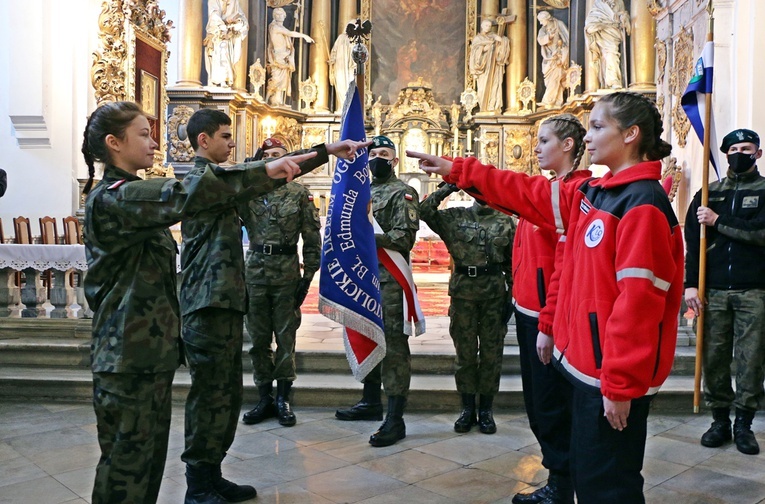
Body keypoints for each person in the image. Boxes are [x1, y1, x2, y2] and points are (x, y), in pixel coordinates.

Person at [410, 91, 684, 504]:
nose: (587, 137)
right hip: (584, 365)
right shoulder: (597, 192)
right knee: (591, 477)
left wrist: (620, 385)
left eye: (597, 127)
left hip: (606, 375)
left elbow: (639, 304)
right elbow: (531, 202)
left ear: (630, 134)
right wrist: (459, 170)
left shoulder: (641, 203)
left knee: (607, 486)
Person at [80, 101, 305, 504]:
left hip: (148, 353)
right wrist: (272, 168)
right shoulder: (114, 197)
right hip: (126, 355)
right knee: (126, 469)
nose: (155, 143)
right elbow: (187, 192)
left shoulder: (131, 196)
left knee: (144, 465)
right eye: (143, 135)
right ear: (114, 143)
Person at [180, 108, 368, 503]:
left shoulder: (222, 180)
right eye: (226, 136)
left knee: (225, 395)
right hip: (206, 304)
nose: (232, 143)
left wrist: (328, 149)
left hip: (226, 300)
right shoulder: (203, 179)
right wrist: (326, 149)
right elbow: (262, 172)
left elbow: (269, 172)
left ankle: (211, 475)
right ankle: (198, 485)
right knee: (209, 396)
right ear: (203, 140)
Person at [510, 114, 590, 504]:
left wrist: (548, 322)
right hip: (528, 309)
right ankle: (559, 476)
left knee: (551, 405)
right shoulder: (551, 188)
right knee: (538, 404)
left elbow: (563, 263)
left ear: (568, 145)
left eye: (544, 141)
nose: (537, 147)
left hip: (549, 314)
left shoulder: (573, 191)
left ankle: (562, 484)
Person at [334, 135, 420, 448]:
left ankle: (395, 419)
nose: (377, 159)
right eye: (374, 154)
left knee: (394, 348)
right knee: (365, 335)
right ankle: (370, 401)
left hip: (389, 282)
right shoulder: (360, 192)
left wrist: (365, 234)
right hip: (362, 281)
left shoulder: (404, 193)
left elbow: (403, 239)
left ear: (395, 160)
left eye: (384, 154)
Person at [685, 128, 765, 456]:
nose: (739, 153)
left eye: (746, 148)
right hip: (713, 290)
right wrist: (691, 283)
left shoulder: (763, 190)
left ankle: (744, 423)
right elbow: (693, 244)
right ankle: (720, 419)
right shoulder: (708, 193)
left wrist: (718, 221)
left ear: (757, 153)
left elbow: (760, 233)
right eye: (733, 148)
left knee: (751, 359)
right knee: (714, 358)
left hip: (753, 290)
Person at [420, 183, 515, 434]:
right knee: (465, 354)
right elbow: (424, 210)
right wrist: (449, 186)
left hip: (494, 297)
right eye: (477, 188)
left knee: (491, 355)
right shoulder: (455, 216)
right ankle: (466, 408)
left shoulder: (506, 222)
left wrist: (511, 299)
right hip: (463, 296)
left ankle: (485, 409)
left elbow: (513, 265)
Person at [240, 138, 321, 427]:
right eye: (268, 155)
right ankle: (264, 397)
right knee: (258, 340)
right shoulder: (248, 193)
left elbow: (312, 237)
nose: (272, 159)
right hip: (256, 273)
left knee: (286, 338)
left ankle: (283, 398)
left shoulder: (299, 194)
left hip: (287, 273)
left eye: (278, 155)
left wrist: (309, 276)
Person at [266, 7, 314, 106]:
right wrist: (305, 36)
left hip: (285, 56)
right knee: (277, 79)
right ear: (274, 16)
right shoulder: (274, 27)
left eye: (281, 14)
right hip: (278, 56)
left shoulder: (281, 27)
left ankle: (279, 100)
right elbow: (290, 33)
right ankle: (272, 99)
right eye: (277, 14)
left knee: (284, 80)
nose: (280, 16)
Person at [585, 0, 630, 89]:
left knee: (612, 54)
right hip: (603, 33)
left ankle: (613, 80)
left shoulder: (619, 2)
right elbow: (590, 23)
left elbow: (623, 14)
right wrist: (600, 25)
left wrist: (624, 17)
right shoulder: (598, 4)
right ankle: (612, 81)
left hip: (614, 32)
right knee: (608, 55)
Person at [204, 0, 249, 88]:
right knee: (220, 55)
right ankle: (221, 80)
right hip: (217, 35)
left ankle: (226, 79)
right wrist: (223, 23)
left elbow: (242, 18)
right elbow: (213, 15)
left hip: (228, 36)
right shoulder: (214, 1)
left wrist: (238, 23)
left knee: (226, 56)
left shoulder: (234, 2)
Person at [469, 19, 510, 114]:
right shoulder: (478, 38)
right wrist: (483, 49)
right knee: (483, 88)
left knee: (495, 85)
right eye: (486, 25)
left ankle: (493, 106)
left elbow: (502, 41)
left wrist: (502, 40)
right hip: (483, 68)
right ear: (482, 26)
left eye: (490, 26)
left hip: (493, 67)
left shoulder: (493, 36)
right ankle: (484, 107)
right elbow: (474, 53)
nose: (488, 27)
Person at [537, 11, 570, 108]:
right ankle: (557, 101)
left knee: (556, 77)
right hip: (549, 58)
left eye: (542, 20)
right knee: (552, 79)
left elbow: (567, 38)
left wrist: (562, 51)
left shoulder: (558, 24)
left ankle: (548, 100)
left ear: (547, 18)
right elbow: (540, 39)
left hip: (559, 56)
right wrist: (548, 37)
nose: (540, 23)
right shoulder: (543, 29)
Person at [329, 21, 356, 110]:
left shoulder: (355, 40)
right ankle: (343, 106)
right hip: (340, 67)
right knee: (341, 86)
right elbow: (334, 51)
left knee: (350, 85)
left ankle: (348, 107)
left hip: (350, 68)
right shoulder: (341, 38)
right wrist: (332, 59)